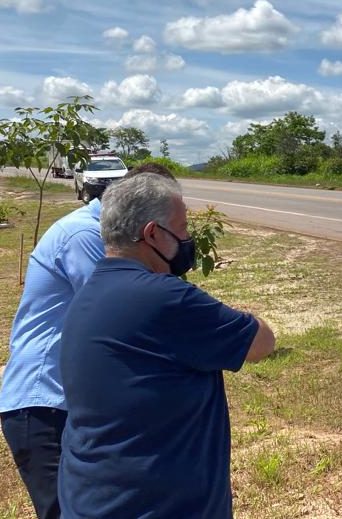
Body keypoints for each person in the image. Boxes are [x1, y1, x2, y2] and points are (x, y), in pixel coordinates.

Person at [58, 173, 277, 517]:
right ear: (153, 234)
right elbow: (262, 342)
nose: (188, 238)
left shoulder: (89, 293)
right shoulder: (165, 298)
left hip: (94, 498)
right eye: (183, 227)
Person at [0, 162, 175, 519]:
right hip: (44, 403)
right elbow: (124, 311)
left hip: (73, 402)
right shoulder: (85, 236)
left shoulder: (110, 235)